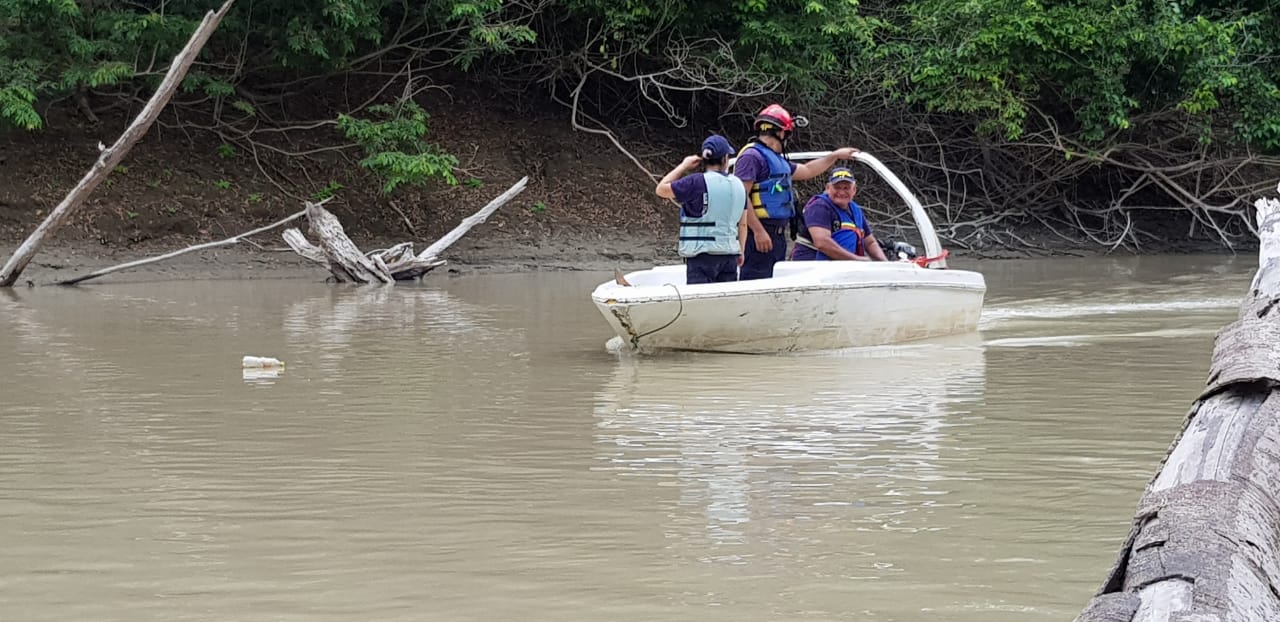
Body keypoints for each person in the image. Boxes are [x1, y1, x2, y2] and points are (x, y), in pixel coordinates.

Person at [733, 103, 861, 279]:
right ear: (781, 133)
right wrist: (758, 231)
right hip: (759, 234)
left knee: (771, 282)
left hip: (776, 235)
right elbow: (740, 196)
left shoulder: (774, 159)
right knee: (755, 279)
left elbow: (807, 170)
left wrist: (834, 156)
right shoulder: (752, 157)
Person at [655, 134, 749, 284]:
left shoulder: (695, 182)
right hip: (729, 255)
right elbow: (743, 225)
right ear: (725, 159)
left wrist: (683, 166)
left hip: (701, 257)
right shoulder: (739, 185)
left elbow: (660, 189)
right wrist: (741, 251)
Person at [791, 167, 888, 261]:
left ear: (854, 190)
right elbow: (822, 243)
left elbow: (870, 242)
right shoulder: (819, 207)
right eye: (837, 187)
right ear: (828, 188)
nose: (841, 192)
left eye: (846, 188)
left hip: (843, 266)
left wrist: (885, 263)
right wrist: (857, 260)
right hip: (812, 267)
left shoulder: (856, 210)